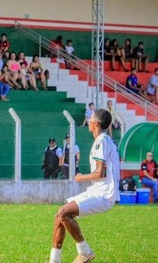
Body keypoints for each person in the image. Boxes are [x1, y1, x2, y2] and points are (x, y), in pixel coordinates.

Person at [48, 109, 120, 263]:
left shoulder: (102, 140)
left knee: (63, 213)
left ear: (96, 123)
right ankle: (54, 261)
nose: (88, 120)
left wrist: (81, 177)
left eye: (91, 118)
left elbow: (99, 173)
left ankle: (85, 252)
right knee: (59, 215)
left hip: (104, 193)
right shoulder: (103, 140)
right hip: (98, 190)